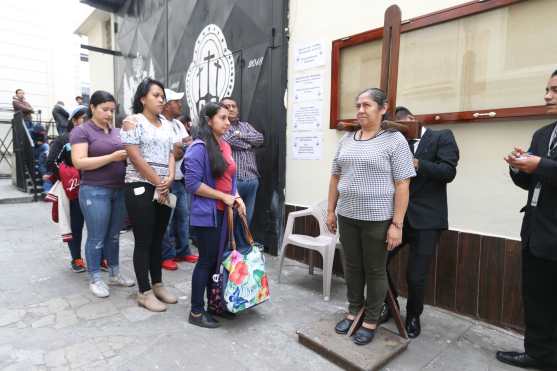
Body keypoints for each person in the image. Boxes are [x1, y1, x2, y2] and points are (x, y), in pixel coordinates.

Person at [326, 88, 415, 345]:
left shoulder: (394, 140)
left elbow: (402, 185)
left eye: (366, 105)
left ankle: (371, 319)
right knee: (352, 266)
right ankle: (354, 310)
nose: (361, 110)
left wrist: (396, 224)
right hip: (347, 216)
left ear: (383, 108)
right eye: (358, 106)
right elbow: (335, 177)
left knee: (375, 270)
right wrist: (331, 211)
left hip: (378, 218)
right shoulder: (346, 140)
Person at [381, 106, 459, 338]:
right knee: (376, 262)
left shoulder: (441, 137)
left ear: (412, 121)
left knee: (416, 275)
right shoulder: (395, 143)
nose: (398, 135)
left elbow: (448, 171)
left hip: (427, 220)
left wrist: (416, 163)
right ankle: (390, 303)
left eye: (401, 129)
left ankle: (413, 315)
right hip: (398, 218)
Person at [497, 70, 557, 370]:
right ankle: (538, 354)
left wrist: (541, 165)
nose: (547, 95)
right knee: (536, 299)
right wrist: (519, 167)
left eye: (554, 90)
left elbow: (546, 169)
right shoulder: (543, 133)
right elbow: (532, 183)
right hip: (536, 232)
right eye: (547, 89)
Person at [183, 102, 246, 328]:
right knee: (206, 262)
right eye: (222, 118)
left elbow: (230, 178)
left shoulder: (225, 145)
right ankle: (196, 312)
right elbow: (192, 184)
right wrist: (222, 197)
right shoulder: (198, 148)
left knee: (218, 262)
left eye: (228, 118)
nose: (227, 122)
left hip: (225, 213)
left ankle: (215, 305)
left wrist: (236, 196)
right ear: (209, 120)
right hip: (207, 215)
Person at [121, 78, 179, 312]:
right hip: (140, 186)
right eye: (155, 95)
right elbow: (134, 156)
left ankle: (157, 284)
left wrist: (170, 177)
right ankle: (144, 292)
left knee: (158, 237)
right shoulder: (132, 122)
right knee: (143, 240)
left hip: (164, 186)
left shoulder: (167, 123)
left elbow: (172, 153)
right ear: (142, 98)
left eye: (162, 95)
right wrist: (158, 182)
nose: (160, 99)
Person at [71, 90, 135, 298]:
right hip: (94, 190)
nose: (109, 114)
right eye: (104, 109)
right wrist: (112, 157)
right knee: (97, 237)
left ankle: (114, 273)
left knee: (114, 236)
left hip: (119, 189)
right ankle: (95, 277)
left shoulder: (117, 132)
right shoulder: (82, 131)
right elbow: (79, 162)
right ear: (92, 108)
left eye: (112, 110)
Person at [160, 89, 198, 271]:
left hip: (180, 180)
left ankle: (183, 251)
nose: (180, 104)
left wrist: (179, 148)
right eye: (176, 101)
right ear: (167, 105)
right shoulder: (159, 124)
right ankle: (166, 255)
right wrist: (177, 148)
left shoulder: (178, 124)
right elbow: (170, 153)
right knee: (166, 221)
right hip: (165, 181)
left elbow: (188, 146)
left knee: (183, 217)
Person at [47, 105, 88, 272]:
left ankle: (101, 259)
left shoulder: (93, 138)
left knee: (96, 225)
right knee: (76, 225)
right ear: (75, 120)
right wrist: (67, 176)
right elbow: (50, 163)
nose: (87, 123)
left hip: (94, 186)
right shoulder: (64, 139)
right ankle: (76, 258)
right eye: (84, 119)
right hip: (74, 190)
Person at [221, 97, 264, 226]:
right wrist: (249, 144)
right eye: (227, 106)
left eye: (234, 106)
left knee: (247, 216)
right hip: (235, 181)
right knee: (232, 217)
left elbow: (260, 139)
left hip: (252, 179)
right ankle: (230, 245)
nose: (231, 109)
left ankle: (244, 245)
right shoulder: (222, 127)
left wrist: (241, 135)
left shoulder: (245, 126)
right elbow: (228, 140)